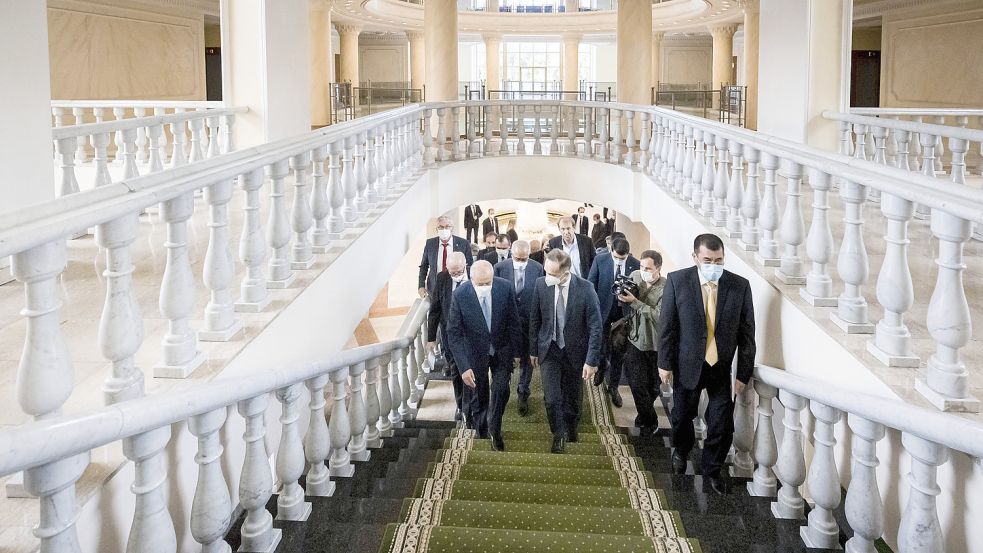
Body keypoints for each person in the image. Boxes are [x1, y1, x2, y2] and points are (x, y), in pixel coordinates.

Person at [658, 233, 755, 495]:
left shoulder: (739, 286)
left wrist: (743, 374)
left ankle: (712, 469)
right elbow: (667, 325)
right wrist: (664, 363)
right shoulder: (678, 281)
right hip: (688, 363)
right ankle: (681, 450)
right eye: (708, 260)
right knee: (681, 417)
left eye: (719, 260)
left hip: (721, 368)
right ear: (696, 258)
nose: (714, 265)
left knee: (721, 424)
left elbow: (747, 335)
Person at [528, 249, 602, 454]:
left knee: (573, 396)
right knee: (552, 398)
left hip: (575, 351)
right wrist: (533, 349)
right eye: (546, 271)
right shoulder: (540, 285)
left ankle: (571, 427)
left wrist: (591, 360)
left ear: (565, 272)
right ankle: (558, 434)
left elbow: (596, 327)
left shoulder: (586, 289)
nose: (547, 277)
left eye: (551, 274)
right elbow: (535, 319)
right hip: (549, 348)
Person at [447, 261, 523, 451]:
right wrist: (464, 367)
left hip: (502, 349)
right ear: (471, 280)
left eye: (487, 283)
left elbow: (514, 322)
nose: (484, 287)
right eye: (479, 284)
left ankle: (495, 429)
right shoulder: (460, 294)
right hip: (474, 352)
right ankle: (482, 430)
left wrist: (517, 352)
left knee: (500, 390)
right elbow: (454, 334)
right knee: (479, 394)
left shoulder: (505, 287)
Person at [494, 240, 545, 416]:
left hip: (528, 321)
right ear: (511, 254)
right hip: (506, 323)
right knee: (506, 358)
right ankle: (503, 390)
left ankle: (523, 391)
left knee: (527, 359)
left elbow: (540, 293)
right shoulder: (500, 267)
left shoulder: (538, 268)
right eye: (517, 258)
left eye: (524, 259)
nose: (521, 262)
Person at [587, 237, 640, 407]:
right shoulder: (600, 260)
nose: (619, 260)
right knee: (601, 348)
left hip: (623, 314)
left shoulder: (635, 264)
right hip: (602, 310)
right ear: (611, 252)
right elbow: (591, 285)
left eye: (622, 258)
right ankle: (602, 366)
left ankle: (614, 387)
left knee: (619, 352)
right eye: (617, 257)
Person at [618, 250, 666, 436]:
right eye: (641, 266)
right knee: (636, 383)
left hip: (655, 344)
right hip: (634, 339)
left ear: (658, 269)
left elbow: (659, 317)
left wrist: (635, 302)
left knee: (652, 386)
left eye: (648, 268)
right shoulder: (635, 276)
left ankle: (644, 414)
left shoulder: (667, 288)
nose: (643, 271)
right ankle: (650, 420)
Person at [426, 252, 470, 420]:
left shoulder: (475, 274)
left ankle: (472, 405)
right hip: (450, 334)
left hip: (472, 334)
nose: (456, 275)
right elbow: (435, 309)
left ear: (465, 265)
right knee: (456, 370)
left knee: (471, 369)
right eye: (453, 272)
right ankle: (461, 406)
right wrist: (431, 338)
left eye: (459, 271)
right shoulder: (443, 278)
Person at [418, 216, 473, 298]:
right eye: (441, 227)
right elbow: (424, 266)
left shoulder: (463, 243)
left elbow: (469, 266)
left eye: (447, 226)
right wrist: (421, 285)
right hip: (435, 288)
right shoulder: (430, 243)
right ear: (436, 229)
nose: (444, 230)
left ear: (452, 228)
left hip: (457, 286)